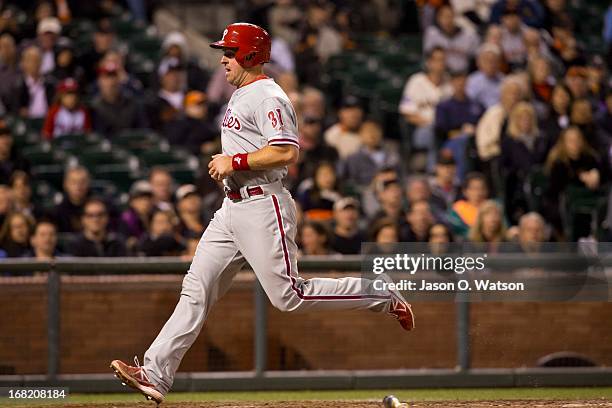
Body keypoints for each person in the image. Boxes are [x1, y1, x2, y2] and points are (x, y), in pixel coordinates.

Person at [110, 23, 414, 405]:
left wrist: (234, 160)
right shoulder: (241, 93)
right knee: (196, 288)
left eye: (229, 51)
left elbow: (287, 151)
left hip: (262, 204)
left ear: (250, 55)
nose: (222, 58)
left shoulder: (269, 96)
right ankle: (155, 372)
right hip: (231, 207)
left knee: (289, 296)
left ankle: (380, 292)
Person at [399, 46, 452, 170]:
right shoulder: (416, 81)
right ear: (429, 62)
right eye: (437, 60)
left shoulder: (449, 84)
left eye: (443, 60)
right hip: (422, 130)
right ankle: (432, 172)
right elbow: (407, 113)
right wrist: (430, 123)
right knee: (432, 131)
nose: (441, 63)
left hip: (446, 129)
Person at [90, 60, 147, 136]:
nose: (110, 82)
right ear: (100, 81)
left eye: (113, 76)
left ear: (120, 80)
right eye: (106, 77)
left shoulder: (132, 103)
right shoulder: (93, 107)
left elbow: (143, 131)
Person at [341, 120, 401, 190]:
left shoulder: (393, 153)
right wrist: (372, 185)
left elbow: (403, 176)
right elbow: (352, 184)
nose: (372, 134)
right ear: (360, 134)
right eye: (368, 131)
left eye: (375, 130)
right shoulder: (354, 159)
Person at [423, 4, 480, 72]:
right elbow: (427, 55)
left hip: (462, 73)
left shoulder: (469, 35)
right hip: (440, 73)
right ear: (438, 18)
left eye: (449, 16)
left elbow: (476, 57)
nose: (447, 20)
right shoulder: (432, 33)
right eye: (443, 16)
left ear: (454, 17)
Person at [165, 91, 218, 156]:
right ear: (187, 107)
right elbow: (174, 147)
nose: (203, 107)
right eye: (198, 104)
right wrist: (200, 148)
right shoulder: (179, 124)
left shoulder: (207, 123)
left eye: (204, 104)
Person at [448, 172, 489, 238]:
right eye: (474, 189)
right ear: (465, 191)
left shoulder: (492, 208)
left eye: (482, 188)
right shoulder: (458, 208)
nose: (479, 192)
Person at [323, 95, 364, 159]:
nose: (353, 114)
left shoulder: (368, 132)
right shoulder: (332, 135)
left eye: (356, 109)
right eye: (348, 110)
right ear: (340, 113)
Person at [466, 43, 504, 110]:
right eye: (486, 60)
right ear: (479, 62)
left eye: (494, 61)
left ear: (499, 63)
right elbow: (468, 103)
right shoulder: (472, 81)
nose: (490, 64)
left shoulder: (505, 81)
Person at [119, 180, 154, 253]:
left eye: (148, 198)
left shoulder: (156, 216)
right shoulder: (126, 219)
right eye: (140, 198)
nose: (145, 202)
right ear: (131, 201)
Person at [54, 166, 91, 233]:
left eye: (82, 182)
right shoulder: (57, 212)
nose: (78, 186)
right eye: (73, 182)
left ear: (88, 183)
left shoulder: (99, 208)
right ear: (65, 184)